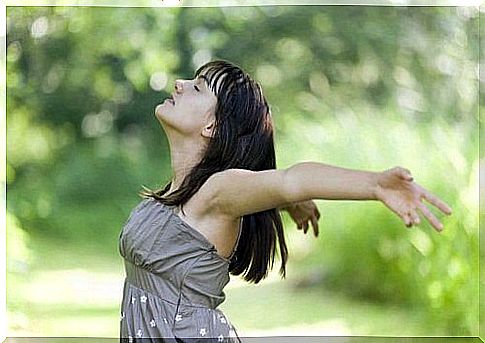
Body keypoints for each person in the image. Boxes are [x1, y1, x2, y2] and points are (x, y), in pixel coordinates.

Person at [118, 60, 452, 342]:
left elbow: (291, 180)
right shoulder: (182, 196)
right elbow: (266, 188)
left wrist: (375, 184)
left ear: (211, 125)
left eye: (198, 87)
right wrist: (281, 202)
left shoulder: (215, 193)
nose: (179, 84)